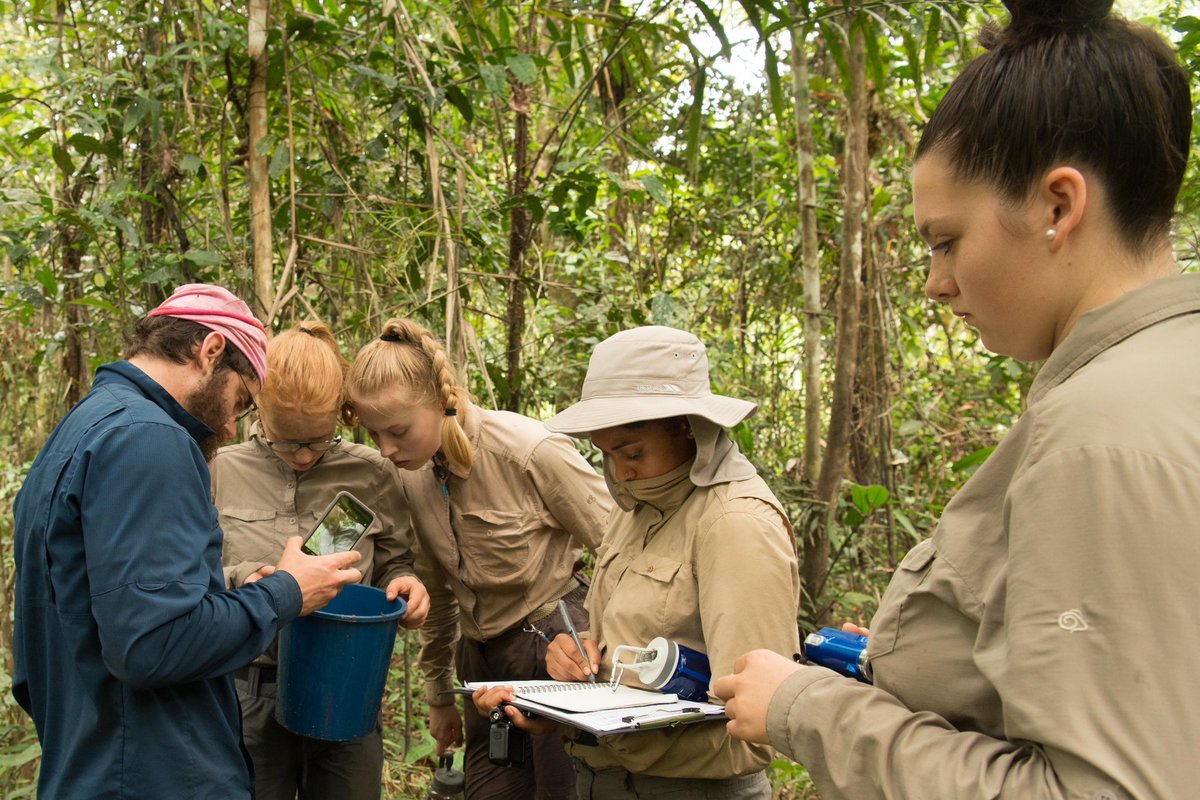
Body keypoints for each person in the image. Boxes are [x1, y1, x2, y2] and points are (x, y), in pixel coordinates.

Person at [712, 2, 1199, 797]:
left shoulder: (1096, 434)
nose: (938, 283)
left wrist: (810, 709)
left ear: (1057, 205)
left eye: (947, 241)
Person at [12, 284, 364, 799]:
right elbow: (152, 646)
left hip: (90, 763)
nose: (227, 426)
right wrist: (287, 591)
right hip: (154, 774)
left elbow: (68, 642)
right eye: (240, 402)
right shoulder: (147, 438)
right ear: (211, 350)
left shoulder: (78, 431)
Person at [474, 326, 802, 799]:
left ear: (687, 426)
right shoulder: (636, 510)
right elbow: (624, 651)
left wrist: (610, 733)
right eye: (607, 455)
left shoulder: (734, 523)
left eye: (632, 452)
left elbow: (757, 728)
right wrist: (573, 666)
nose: (621, 472)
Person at [346, 318, 613, 800]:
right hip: (482, 664)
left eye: (398, 430)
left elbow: (621, 548)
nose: (386, 449)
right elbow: (440, 592)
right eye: (373, 434)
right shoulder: (413, 475)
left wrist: (609, 644)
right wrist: (439, 695)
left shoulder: (528, 451)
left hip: (559, 647)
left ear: (439, 400)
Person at [211, 321, 431, 800]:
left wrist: (408, 583)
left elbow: (396, 561)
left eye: (320, 438)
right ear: (257, 407)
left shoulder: (371, 472)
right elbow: (189, 579)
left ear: (342, 413)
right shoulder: (219, 471)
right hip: (249, 693)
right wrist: (246, 579)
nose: (306, 456)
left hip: (345, 686)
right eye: (288, 441)